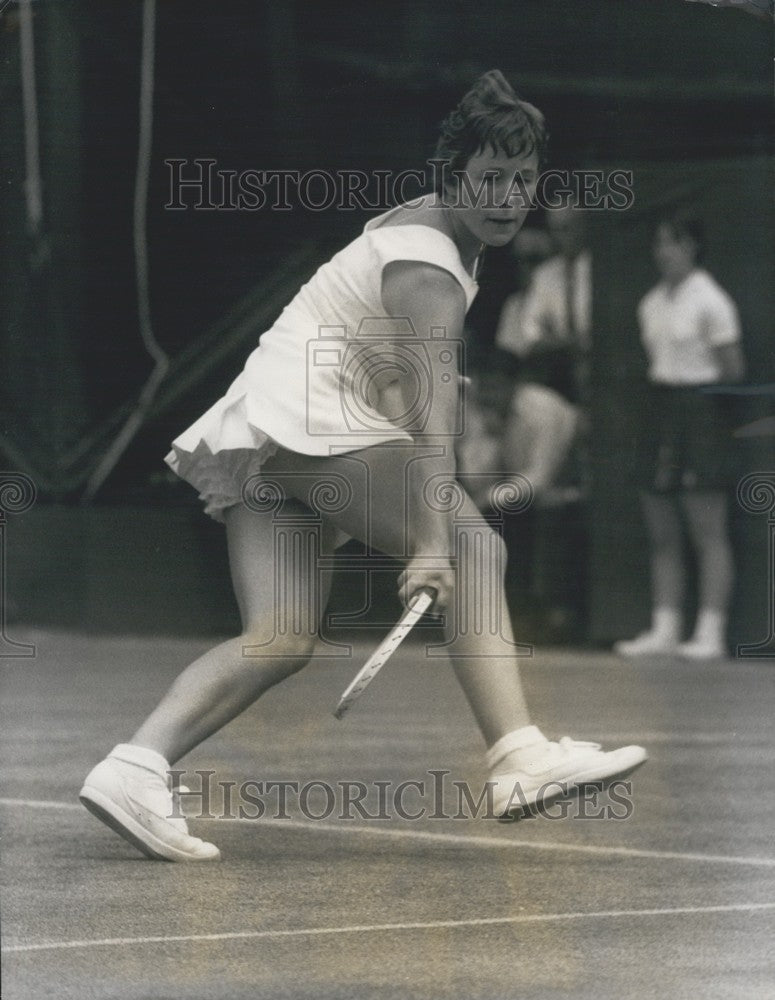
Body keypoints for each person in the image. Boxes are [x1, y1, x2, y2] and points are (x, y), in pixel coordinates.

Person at [79, 70, 646, 862]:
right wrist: (432, 542)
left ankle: (133, 766)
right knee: (478, 545)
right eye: (489, 179)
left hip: (272, 432)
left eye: (522, 180)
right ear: (451, 179)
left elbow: (377, 357)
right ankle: (517, 754)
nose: (508, 197)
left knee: (278, 636)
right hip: (306, 422)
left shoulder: (428, 239)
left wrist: (414, 382)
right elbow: (430, 417)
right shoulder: (432, 266)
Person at [614, 215, 745, 660]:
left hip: (702, 414)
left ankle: (710, 633)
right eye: (659, 243)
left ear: (693, 247)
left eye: (674, 242)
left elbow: (733, 370)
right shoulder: (650, 302)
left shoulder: (712, 301)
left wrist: (700, 407)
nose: (664, 251)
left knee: (708, 530)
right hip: (659, 410)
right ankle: (665, 629)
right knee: (662, 531)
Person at [494, 204, 591, 505]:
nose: (563, 237)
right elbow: (530, 338)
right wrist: (573, 342)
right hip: (559, 380)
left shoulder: (604, 266)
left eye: (569, 227)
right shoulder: (545, 277)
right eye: (557, 229)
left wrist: (558, 338)